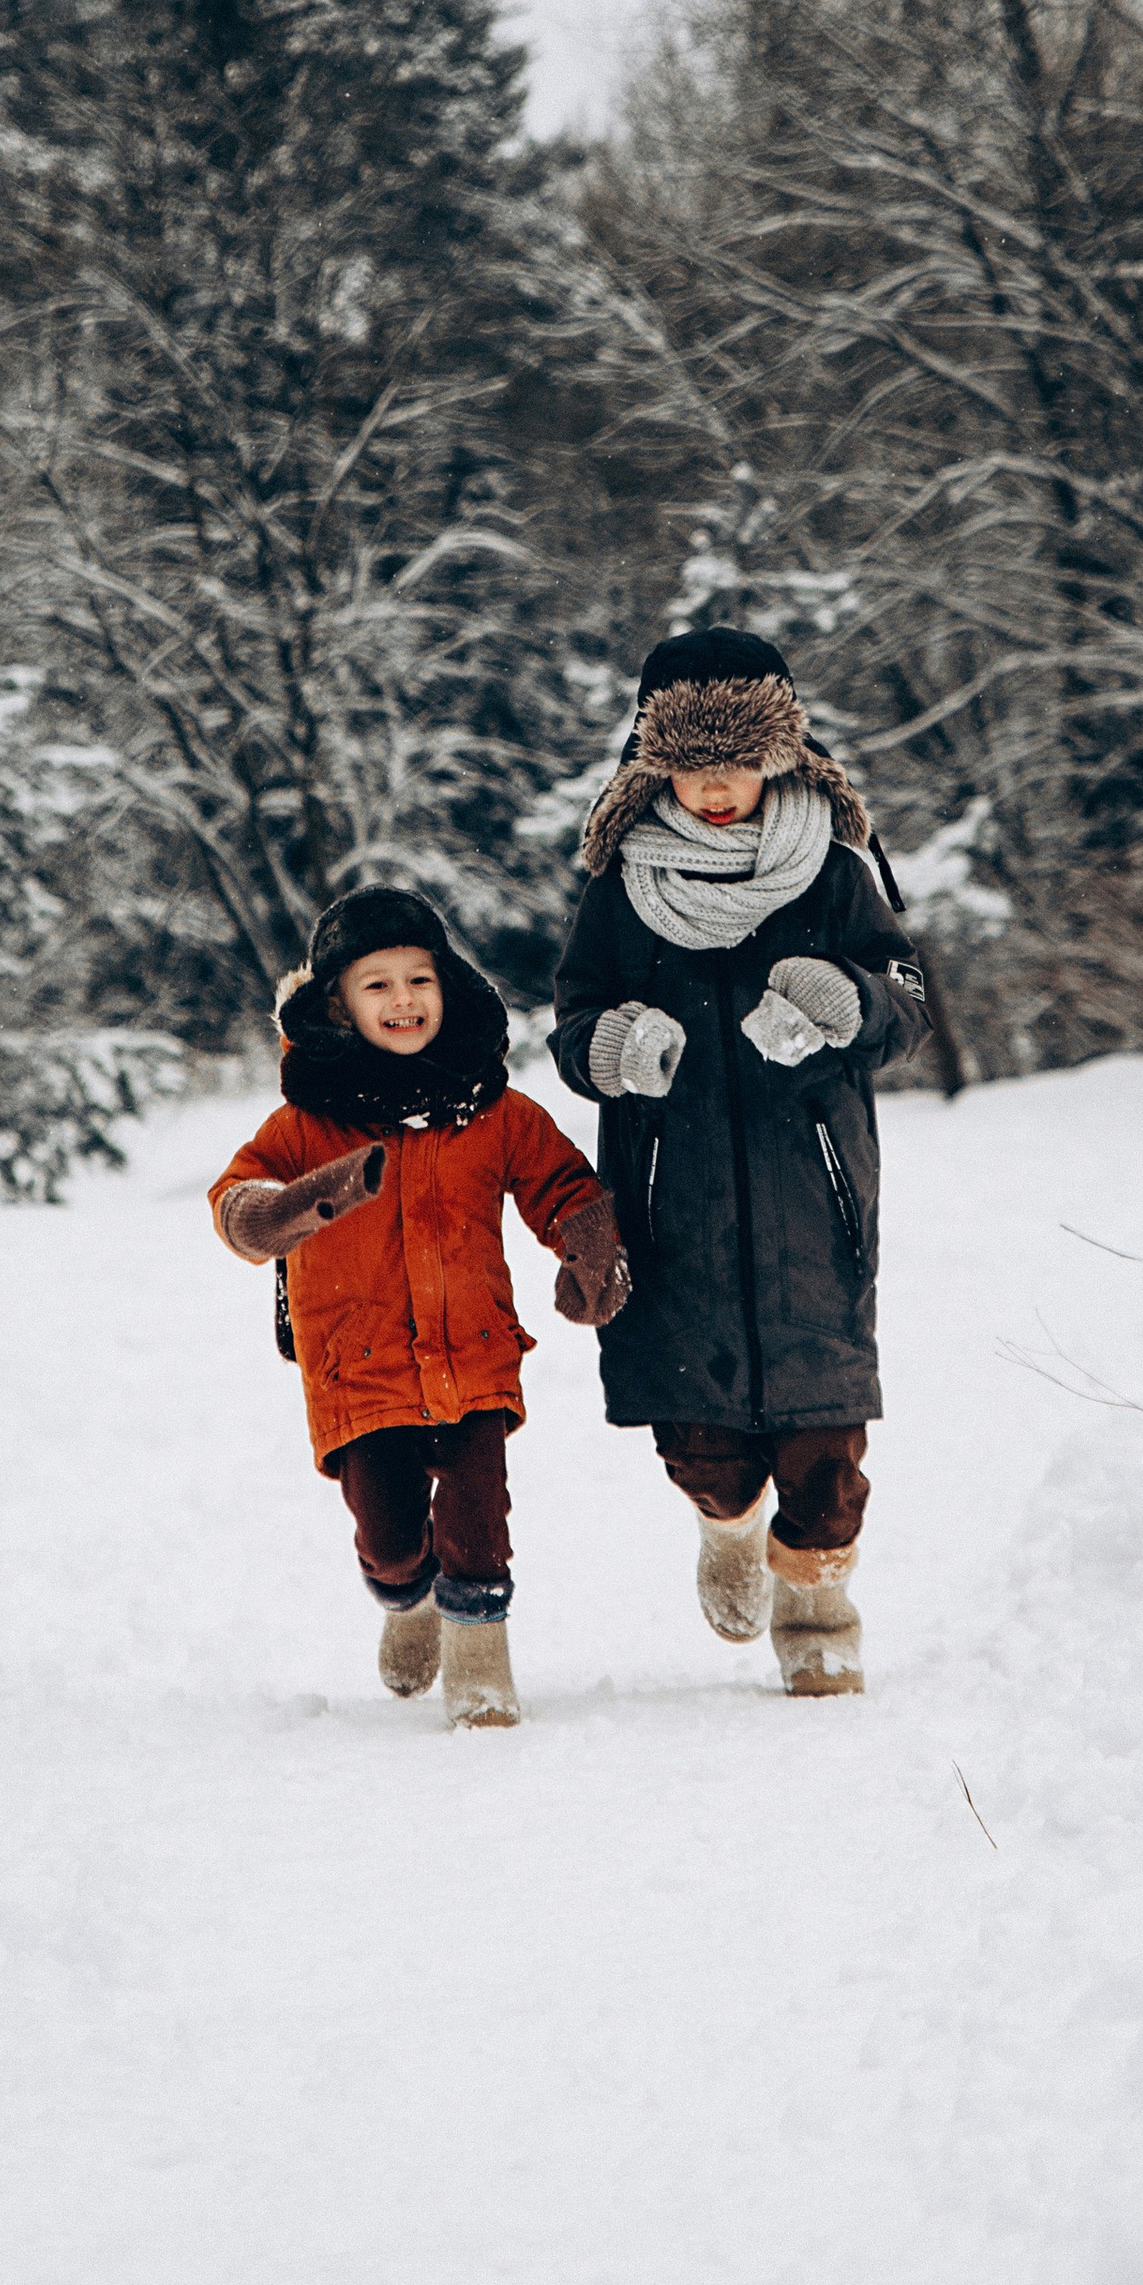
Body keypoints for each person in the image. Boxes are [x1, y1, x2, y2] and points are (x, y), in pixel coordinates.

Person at [550, 628, 928, 1695]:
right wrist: (616, 1047)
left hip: (813, 1191)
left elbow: (907, 1006)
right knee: (701, 1446)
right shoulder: (621, 886)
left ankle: (814, 1606)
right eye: (689, 765)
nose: (716, 788)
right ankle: (728, 1522)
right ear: (649, 762)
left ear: (783, 754)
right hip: (675, 1204)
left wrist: (851, 1005)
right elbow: (572, 1022)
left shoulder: (835, 871)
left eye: (738, 762)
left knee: (827, 1436)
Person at [211, 885, 627, 1729]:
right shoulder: (304, 1124)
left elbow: (560, 1181)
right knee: (392, 1542)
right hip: (359, 1370)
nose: (404, 1000)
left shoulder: (490, 1108)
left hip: (472, 1354)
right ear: (337, 1003)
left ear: (450, 987)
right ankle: (408, 1602)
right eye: (378, 985)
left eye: (420, 980)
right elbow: (239, 1202)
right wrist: (286, 1208)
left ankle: (481, 1670)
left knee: (480, 1525)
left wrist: (589, 1247)